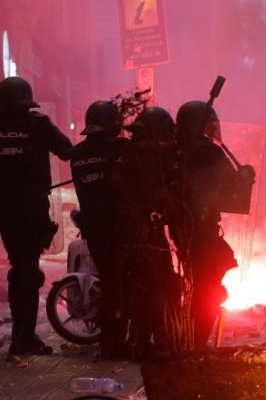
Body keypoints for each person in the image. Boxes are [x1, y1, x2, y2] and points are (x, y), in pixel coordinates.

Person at [0, 77, 71, 358]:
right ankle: (23, 338)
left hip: (6, 211)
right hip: (32, 210)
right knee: (26, 272)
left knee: (20, 268)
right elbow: (67, 150)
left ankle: (23, 336)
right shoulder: (38, 125)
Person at [114, 106, 181, 357]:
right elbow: (156, 191)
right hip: (145, 230)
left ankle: (137, 340)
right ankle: (155, 341)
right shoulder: (147, 154)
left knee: (138, 285)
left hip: (129, 231)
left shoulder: (127, 152)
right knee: (158, 284)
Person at [174, 101, 238, 350]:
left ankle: (190, 336)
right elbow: (232, 183)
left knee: (199, 281)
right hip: (202, 227)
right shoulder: (208, 151)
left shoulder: (174, 149)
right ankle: (197, 341)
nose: (215, 127)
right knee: (210, 285)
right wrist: (244, 175)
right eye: (211, 122)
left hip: (181, 228)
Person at [69, 100, 129, 358]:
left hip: (93, 227)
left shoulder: (78, 154)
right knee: (123, 283)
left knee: (109, 281)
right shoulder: (121, 148)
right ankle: (116, 344)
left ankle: (108, 341)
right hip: (120, 226)